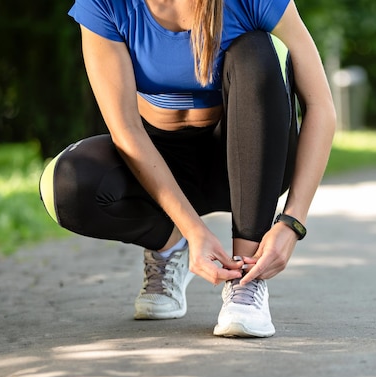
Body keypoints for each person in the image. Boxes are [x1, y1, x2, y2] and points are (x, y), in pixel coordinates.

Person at [39, 0, 335, 338]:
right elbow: (126, 131)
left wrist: (291, 222)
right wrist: (193, 230)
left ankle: (245, 280)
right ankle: (170, 246)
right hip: (159, 165)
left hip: (243, 159)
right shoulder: (106, 4)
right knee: (67, 185)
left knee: (256, 51)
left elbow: (321, 106)